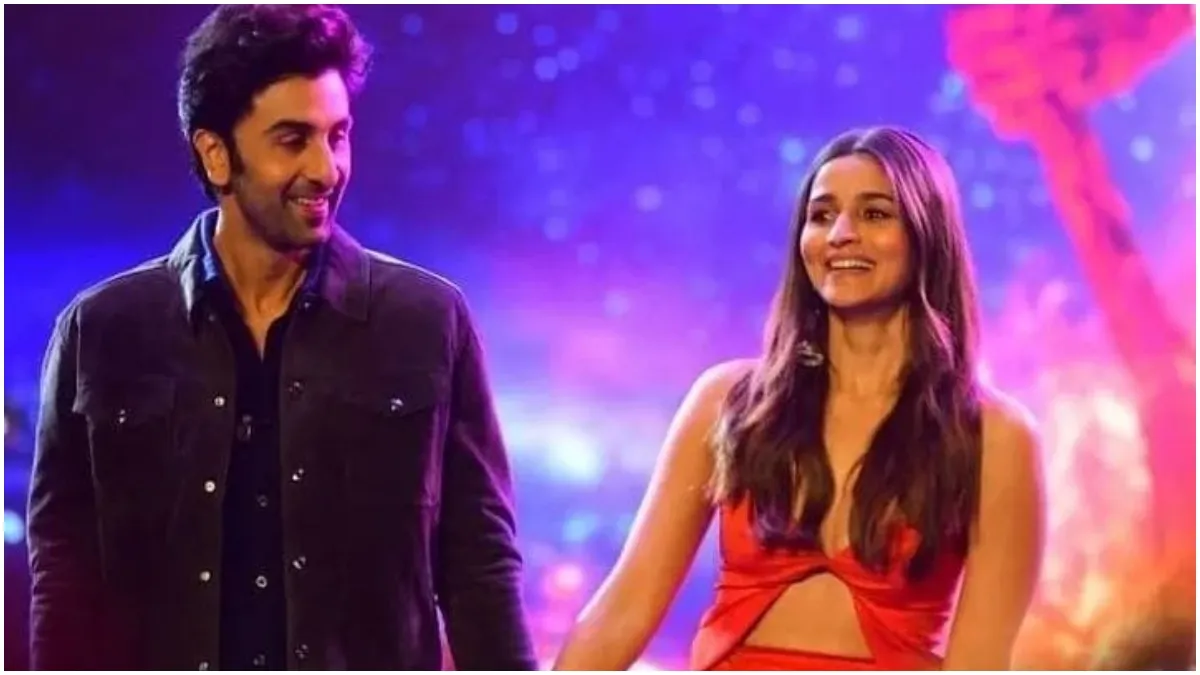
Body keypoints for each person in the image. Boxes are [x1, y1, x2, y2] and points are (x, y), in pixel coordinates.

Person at [26, 5, 536, 670]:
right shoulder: (102, 331)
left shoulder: (429, 320)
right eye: (293, 140)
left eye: (338, 136)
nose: (327, 169)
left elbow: (480, 567)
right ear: (216, 154)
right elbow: (64, 576)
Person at [553, 126, 1046, 670]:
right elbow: (622, 612)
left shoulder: (994, 436)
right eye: (822, 215)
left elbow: (979, 662)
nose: (841, 234)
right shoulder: (729, 402)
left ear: (928, 234)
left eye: (875, 214)